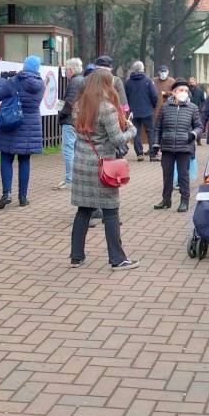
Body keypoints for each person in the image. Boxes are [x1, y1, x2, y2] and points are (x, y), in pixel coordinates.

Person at [69, 70, 140, 270]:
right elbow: (117, 140)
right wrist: (131, 130)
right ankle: (117, 259)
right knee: (111, 211)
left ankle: (76, 256)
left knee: (83, 209)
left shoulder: (78, 107)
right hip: (102, 166)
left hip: (81, 163)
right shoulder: (106, 108)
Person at [0, 55, 44, 210]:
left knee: (6, 157)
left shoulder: (14, 81)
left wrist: (2, 79)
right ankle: (23, 197)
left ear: (24, 65)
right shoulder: (41, 84)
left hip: (11, 124)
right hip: (30, 126)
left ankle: (6, 194)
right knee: (24, 160)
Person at [150, 80, 202, 212]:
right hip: (167, 146)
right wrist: (156, 144)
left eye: (185, 90)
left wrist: (193, 134)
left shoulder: (193, 108)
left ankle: (184, 201)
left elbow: (199, 126)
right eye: (180, 90)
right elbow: (158, 127)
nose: (183, 93)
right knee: (167, 175)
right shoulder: (165, 107)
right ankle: (166, 200)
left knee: (183, 176)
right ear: (174, 92)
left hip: (184, 146)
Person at [57, 57, 85, 190]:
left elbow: (69, 103)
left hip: (69, 121)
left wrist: (60, 114)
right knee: (75, 150)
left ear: (72, 69)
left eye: (66, 69)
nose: (65, 71)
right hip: (77, 120)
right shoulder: (81, 80)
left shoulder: (74, 82)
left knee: (68, 151)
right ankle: (75, 178)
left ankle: (70, 180)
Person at [124, 61, 158, 161]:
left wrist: (129, 108)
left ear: (133, 69)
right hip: (147, 110)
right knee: (151, 132)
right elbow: (154, 95)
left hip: (134, 111)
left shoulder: (128, 82)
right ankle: (152, 154)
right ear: (143, 69)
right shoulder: (148, 80)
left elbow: (125, 97)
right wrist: (153, 105)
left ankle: (139, 154)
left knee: (136, 132)